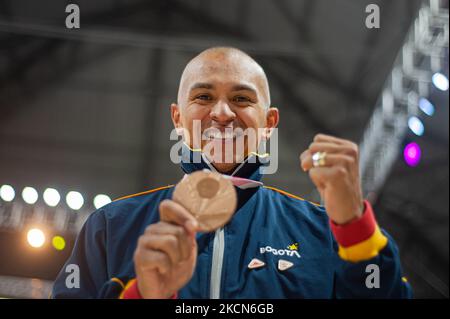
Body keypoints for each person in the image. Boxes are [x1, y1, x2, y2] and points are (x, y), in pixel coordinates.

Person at [52, 47, 412, 299]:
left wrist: (353, 226)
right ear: (178, 119)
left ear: (269, 123)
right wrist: (143, 295)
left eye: (241, 98)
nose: (222, 113)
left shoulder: (324, 234)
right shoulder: (111, 226)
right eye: (204, 97)